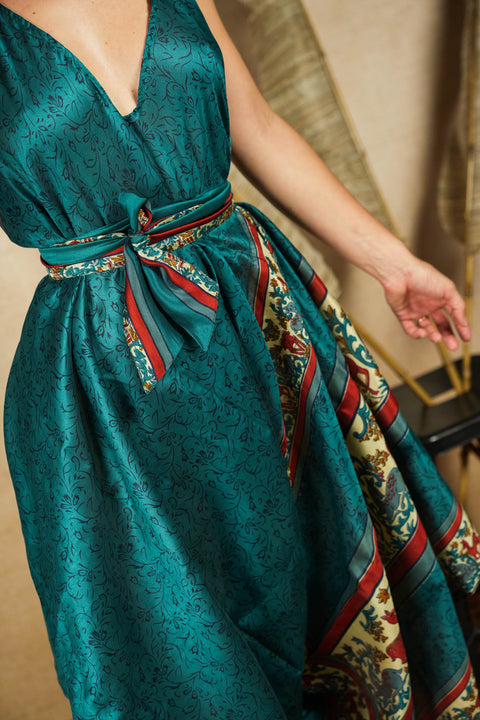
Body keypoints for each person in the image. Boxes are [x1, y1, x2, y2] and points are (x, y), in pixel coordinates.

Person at [1, 1, 479, 718]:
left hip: (256, 315)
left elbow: (260, 128)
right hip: (99, 379)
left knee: (313, 574)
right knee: (172, 641)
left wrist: (394, 265)